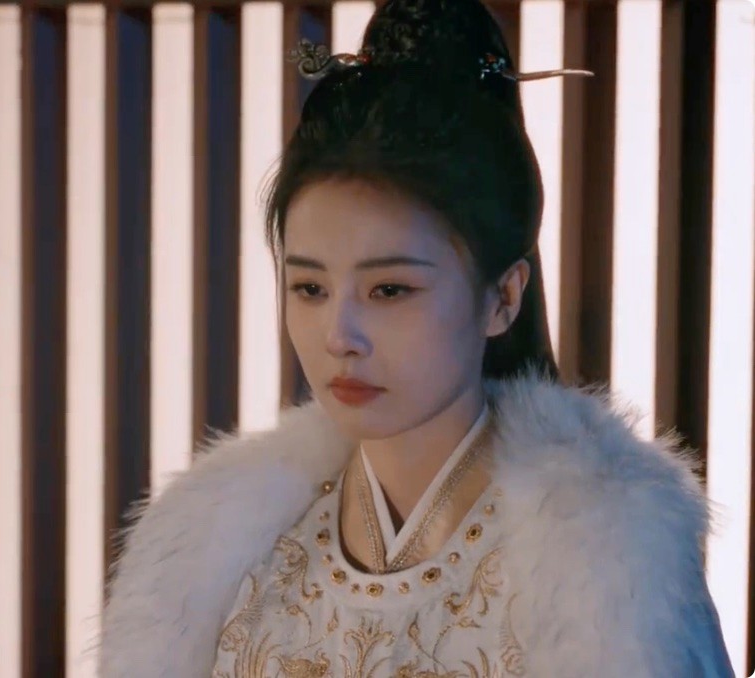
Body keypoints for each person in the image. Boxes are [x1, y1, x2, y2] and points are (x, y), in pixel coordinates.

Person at [96, 1, 733, 676]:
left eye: (390, 290)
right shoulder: (213, 555)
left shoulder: (610, 572)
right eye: (309, 288)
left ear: (503, 298)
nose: (339, 335)